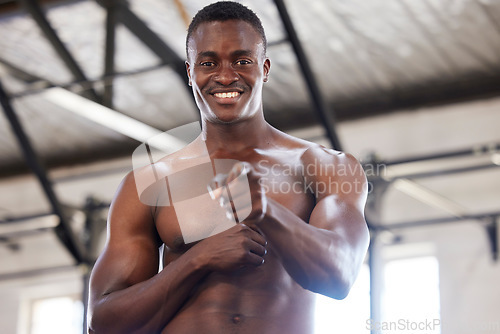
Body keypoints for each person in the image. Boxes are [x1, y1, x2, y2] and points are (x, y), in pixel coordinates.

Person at [88, 1, 369, 333]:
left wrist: (267, 213)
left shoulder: (325, 166)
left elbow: (339, 277)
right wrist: (198, 258)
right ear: (191, 73)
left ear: (264, 68)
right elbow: (104, 323)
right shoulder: (150, 183)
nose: (224, 76)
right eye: (208, 63)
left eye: (242, 61)